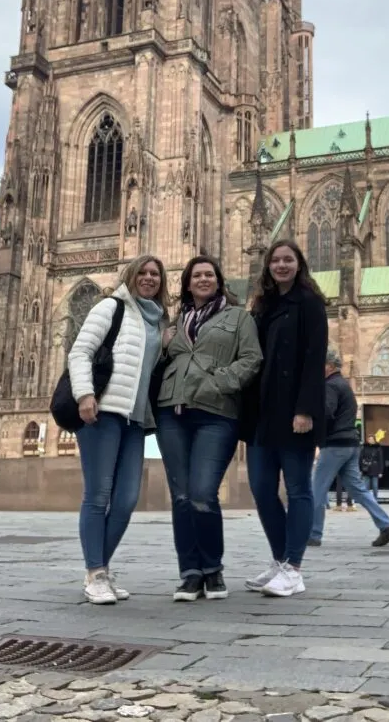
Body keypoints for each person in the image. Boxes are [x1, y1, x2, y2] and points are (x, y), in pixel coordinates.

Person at [156, 255, 262, 602]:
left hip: (216, 413)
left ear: (219, 281)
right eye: (196, 275)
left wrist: (221, 382)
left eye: (209, 274)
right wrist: (162, 346)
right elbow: (163, 362)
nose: (203, 279)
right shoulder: (175, 321)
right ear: (187, 283)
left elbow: (252, 359)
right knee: (182, 496)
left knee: (202, 493)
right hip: (172, 413)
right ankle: (189, 573)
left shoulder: (238, 317)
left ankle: (212, 569)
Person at [69, 255, 171, 605]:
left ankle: (99, 570)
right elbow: (80, 351)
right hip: (101, 411)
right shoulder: (110, 307)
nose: (148, 278)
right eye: (142, 272)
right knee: (98, 496)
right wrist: (84, 394)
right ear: (130, 275)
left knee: (126, 500)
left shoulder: (158, 321)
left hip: (134, 419)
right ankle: (96, 572)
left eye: (154, 274)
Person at [243, 240, 328, 597]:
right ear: (268, 266)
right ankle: (280, 561)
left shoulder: (309, 302)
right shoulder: (264, 305)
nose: (281, 265)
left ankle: (294, 567)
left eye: (287, 260)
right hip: (263, 412)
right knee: (262, 490)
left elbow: (314, 357)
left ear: (299, 264)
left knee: (298, 490)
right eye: (275, 260)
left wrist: (305, 410)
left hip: (294, 411)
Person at [308, 349, 389, 549]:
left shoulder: (330, 386)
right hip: (350, 444)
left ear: (330, 366)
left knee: (317, 490)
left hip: (335, 445)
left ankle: (313, 534)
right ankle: (386, 524)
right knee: (358, 489)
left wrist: (311, 422)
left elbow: (326, 412)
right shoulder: (344, 385)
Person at [360, 433, 384, 498]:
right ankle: (366, 499)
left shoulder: (378, 448)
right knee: (365, 486)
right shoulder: (364, 447)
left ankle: (375, 499)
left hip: (375, 469)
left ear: (374, 440)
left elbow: (380, 460)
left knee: (375, 486)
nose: (370, 440)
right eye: (369, 439)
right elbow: (361, 458)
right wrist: (361, 469)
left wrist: (381, 471)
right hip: (366, 469)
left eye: (371, 439)